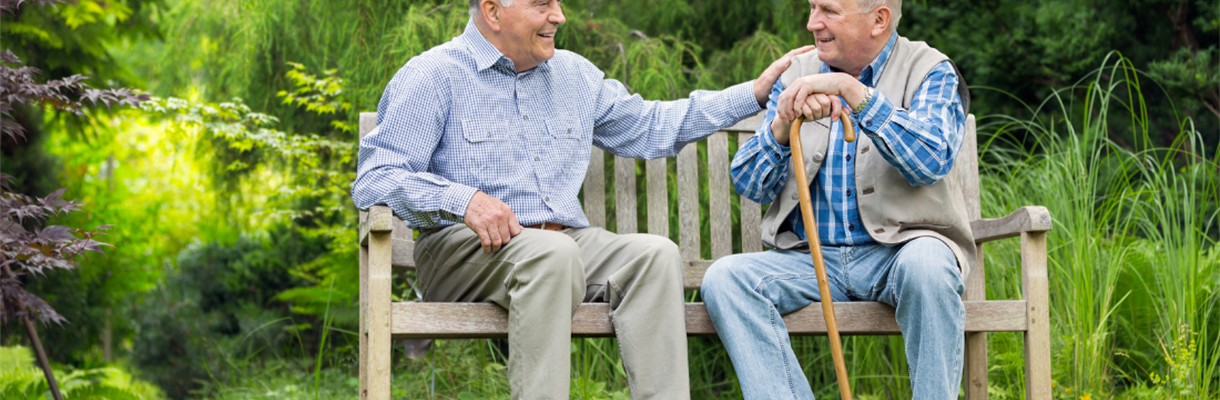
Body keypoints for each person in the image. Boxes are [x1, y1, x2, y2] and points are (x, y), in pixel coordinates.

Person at [350, 0, 812, 398]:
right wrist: (463, 199)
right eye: (543, 5)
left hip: (561, 245)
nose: (560, 16)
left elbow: (652, 126)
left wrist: (753, 94)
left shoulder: (573, 76)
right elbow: (376, 177)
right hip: (461, 251)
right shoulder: (432, 75)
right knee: (552, 255)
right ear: (492, 11)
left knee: (653, 255)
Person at [700, 0, 974, 398]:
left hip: (900, 253)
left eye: (828, 10)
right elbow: (750, 184)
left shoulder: (930, 70)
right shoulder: (797, 73)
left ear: (879, 19)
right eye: (812, 8)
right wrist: (780, 126)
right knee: (725, 280)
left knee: (929, 268)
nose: (813, 23)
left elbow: (931, 161)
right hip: (810, 260)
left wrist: (855, 94)